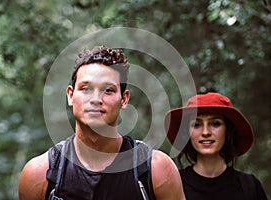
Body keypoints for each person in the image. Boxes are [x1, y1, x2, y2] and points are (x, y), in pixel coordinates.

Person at [19, 46, 186, 200]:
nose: (96, 99)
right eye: (86, 88)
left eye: (108, 90)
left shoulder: (156, 170)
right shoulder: (40, 174)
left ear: (124, 99)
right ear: (70, 95)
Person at [164, 92, 267, 200]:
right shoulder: (174, 185)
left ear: (228, 130)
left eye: (215, 123)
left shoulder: (250, 187)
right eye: (196, 125)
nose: (205, 132)